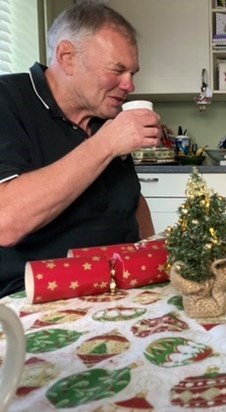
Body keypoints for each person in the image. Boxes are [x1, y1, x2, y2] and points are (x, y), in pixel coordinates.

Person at [0, 3, 162, 298]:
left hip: (124, 291)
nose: (130, 84)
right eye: (118, 70)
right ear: (67, 57)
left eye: (132, 72)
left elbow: (131, 200)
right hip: (38, 299)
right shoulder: (8, 100)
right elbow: (6, 221)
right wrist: (106, 145)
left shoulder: (103, 118)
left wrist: (151, 258)